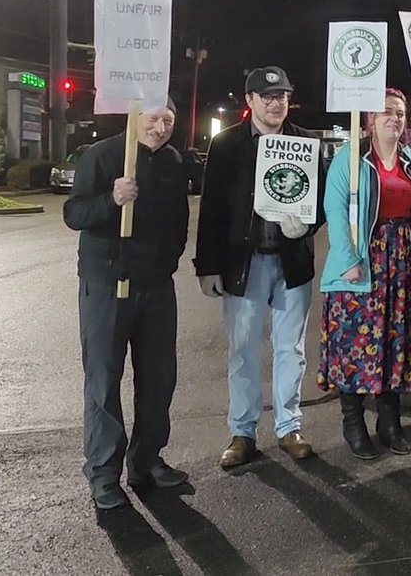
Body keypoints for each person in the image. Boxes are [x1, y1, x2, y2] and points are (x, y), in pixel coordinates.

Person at [63, 99, 190, 510]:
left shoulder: (172, 161)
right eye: (153, 118)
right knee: (104, 381)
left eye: (168, 120)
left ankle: (146, 461)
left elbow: (179, 220)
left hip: (156, 287)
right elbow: (74, 213)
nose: (160, 127)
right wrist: (111, 199)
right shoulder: (102, 156)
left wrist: (168, 261)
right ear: (135, 116)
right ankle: (103, 474)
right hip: (107, 285)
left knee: (159, 378)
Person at [194, 66, 323, 469]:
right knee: (243, 349)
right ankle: (242, 432)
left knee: (291, 350)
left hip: (291, 262)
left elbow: (320, 201)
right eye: (266, 96)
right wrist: (207, 266)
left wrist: (307, 224)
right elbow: (212, 210)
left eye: (281, 95)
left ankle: (289, 427)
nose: (275, 103)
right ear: (249, 101)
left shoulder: (307, 142)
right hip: (243, 262)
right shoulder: (227, 145)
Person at [319, 89, 411, 459]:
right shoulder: (351, 158)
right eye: (386, 111)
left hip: (402, 263)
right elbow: (335, 208)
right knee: (354, 343)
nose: (395, 118)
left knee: (393, 343)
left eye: (400, 113)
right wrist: (347, 258)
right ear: (369, 120)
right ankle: (353, 423)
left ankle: (389, 423)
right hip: (363, 263)